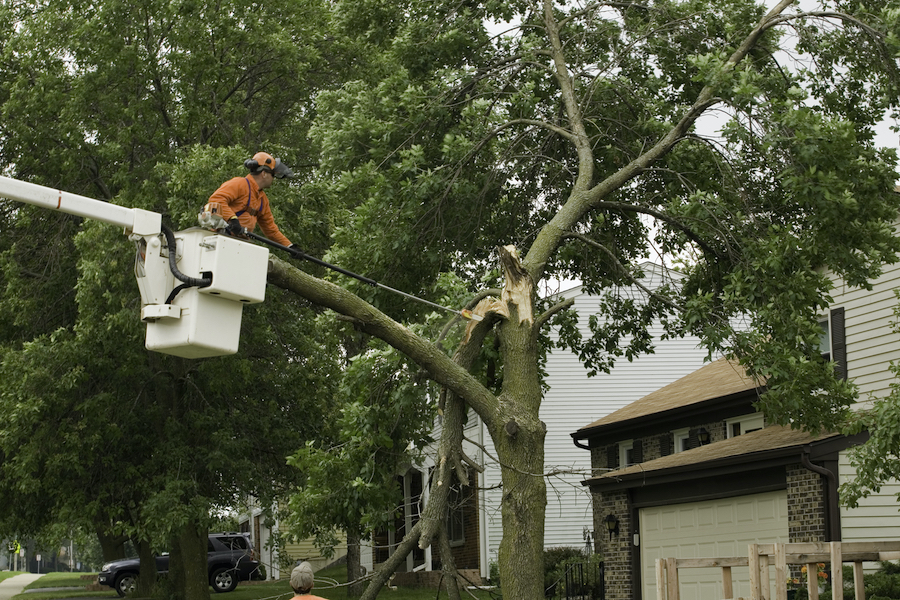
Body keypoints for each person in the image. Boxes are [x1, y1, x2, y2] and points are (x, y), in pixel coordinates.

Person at [205, 151, 294, 247]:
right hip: (223, 238)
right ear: (264, 173)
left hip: (241, 243)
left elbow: (270, 229)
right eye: (272, 175)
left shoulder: (262, 199)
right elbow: (216, 199)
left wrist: (290, 246)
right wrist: (232, 219)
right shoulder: (240, 184)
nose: (273, 179)